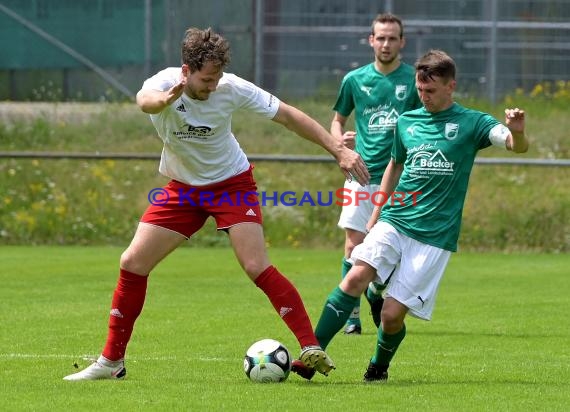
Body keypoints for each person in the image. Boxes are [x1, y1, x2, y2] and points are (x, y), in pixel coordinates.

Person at [63, 27, 369, 381]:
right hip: (184, 188)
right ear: (186, 70)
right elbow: (143, 100)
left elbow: (288, 116)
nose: (213, 85)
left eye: (217, 77)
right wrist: (166, 100)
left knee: (256, 265)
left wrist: (339, 150)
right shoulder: (163, 83)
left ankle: (309, 345)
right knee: (132, 262)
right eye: (206, 79)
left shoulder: (232, 87)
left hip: (231, 184)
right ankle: (111, 362)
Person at [309, 49, 529, 381]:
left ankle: (379, 366)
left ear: (451, 86)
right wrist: (377, 213)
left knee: (392, 317)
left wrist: (518, 131)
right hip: (395, 219)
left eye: (431, 91)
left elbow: (514, 144)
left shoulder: (473, 122)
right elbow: (394, 165)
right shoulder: (408, 121)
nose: (423, 97)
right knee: (354, 276)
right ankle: (310, 353)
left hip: (435, 235)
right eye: (420, 90)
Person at [331, 13, 422, 335]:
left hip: (401, 177)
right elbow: (338, 120)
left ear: (402, 42)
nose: (386, 44)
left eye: (392, 38)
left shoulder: (414, 80)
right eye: (380, 38)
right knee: (354, 243)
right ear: (371, 41)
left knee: (396, 248)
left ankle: (375, 290)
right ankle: (351, 316)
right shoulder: (354, 80)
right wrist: (339, 141)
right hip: (361, 174)